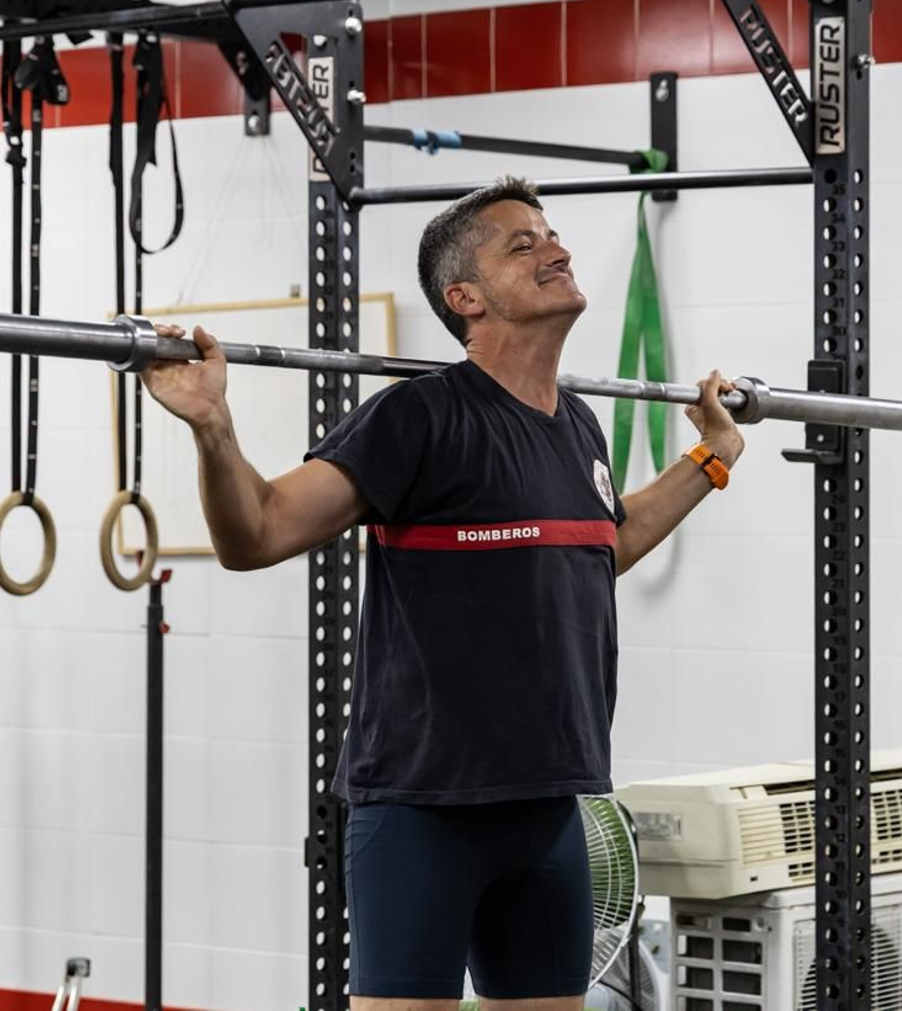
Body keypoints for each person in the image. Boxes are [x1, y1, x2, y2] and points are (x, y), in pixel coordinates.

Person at [141, 176, 744, 1010]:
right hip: (424, 815)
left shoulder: (578, 426)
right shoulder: (416, 418)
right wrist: (213, 425)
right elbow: (259, 532)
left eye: (551, 235)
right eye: (521, 244)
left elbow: (604, 546)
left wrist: (712, 457)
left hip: (551, 809)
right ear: (464, 297)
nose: (556, 250)